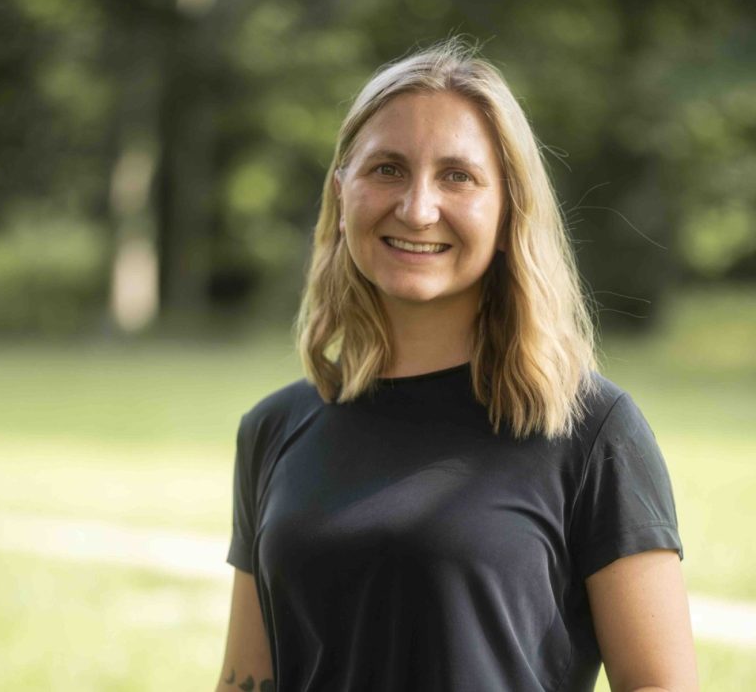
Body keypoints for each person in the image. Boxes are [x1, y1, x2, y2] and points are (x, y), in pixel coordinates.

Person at [215, 38, 698, 692]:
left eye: (458, 176)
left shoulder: (591, 431)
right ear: (341, 191)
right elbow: (246, 682)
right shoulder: (273, 429)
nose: (417, 208)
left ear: (509, 209)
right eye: (387, 168)